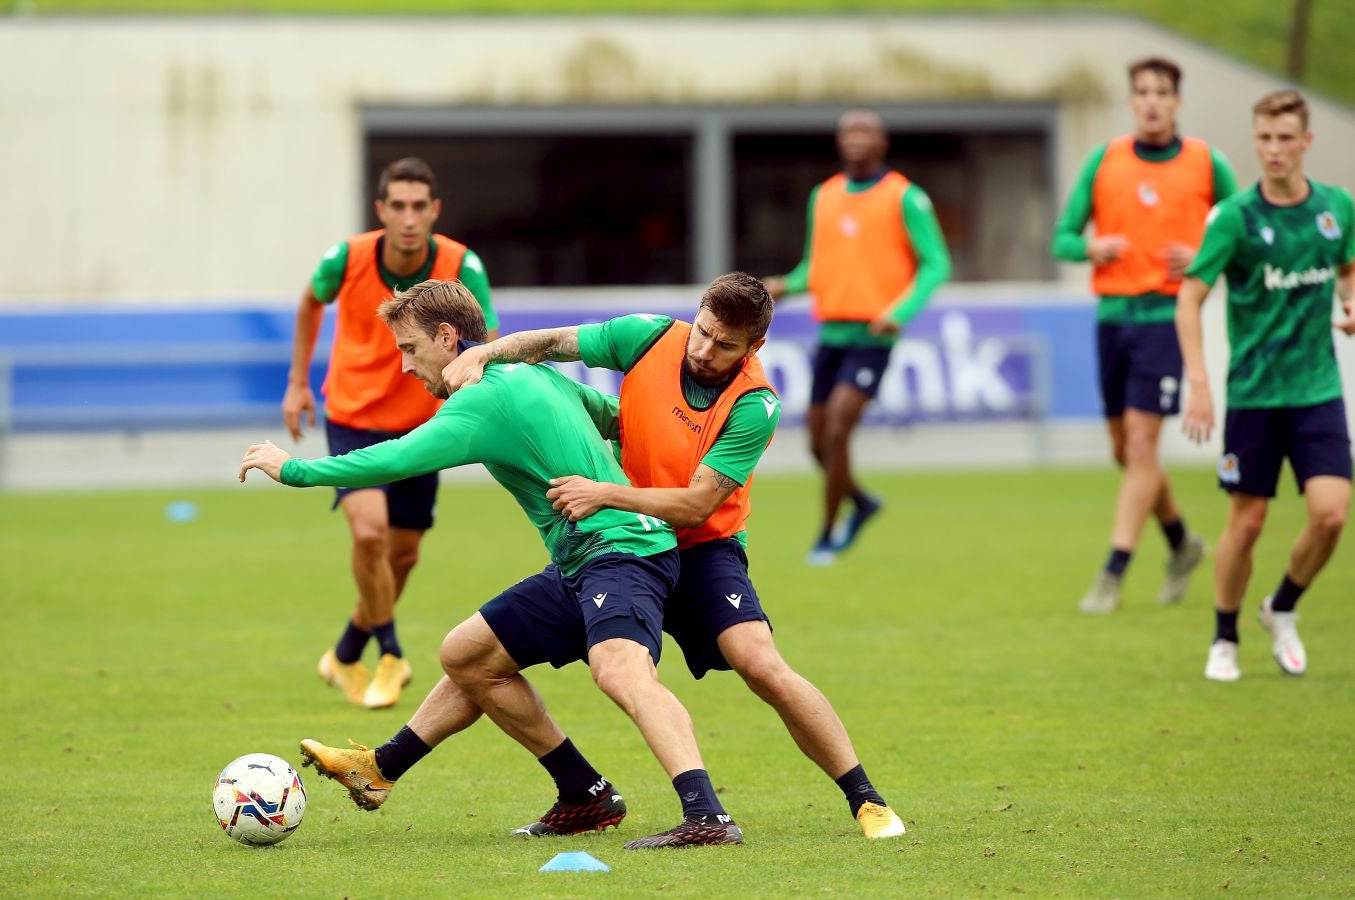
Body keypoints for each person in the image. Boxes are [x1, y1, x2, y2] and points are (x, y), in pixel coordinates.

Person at [245, 279, 744, 849]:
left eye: (409, 349)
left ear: (446, 336)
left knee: (622, 672)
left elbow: (396, 457)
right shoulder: (530, 374)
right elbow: (617, 415)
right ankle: (571, 792)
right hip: (594, 555)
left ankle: (707, 815)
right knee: (470, 655)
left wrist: (295, 470)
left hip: (620, 553)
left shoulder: (480, 399)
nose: (406, 367)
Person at [443, 271, 906, 839]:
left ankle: (866, 799)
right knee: (480, 651)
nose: (706, 351)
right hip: (623, 548)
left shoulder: (755, 404)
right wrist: (483, 353)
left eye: (726, 345)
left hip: (704, 549)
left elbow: (695, 505)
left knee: (760, 664)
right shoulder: (649, 336)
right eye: (704, 333)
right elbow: (549, 343)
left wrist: (604, 492)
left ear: (754, 348)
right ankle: (388, 766)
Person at [281, 158, 499, 709]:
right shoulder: (347, 258)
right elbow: (310, 301)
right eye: (396, 206)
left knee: (401, 557)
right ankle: (392, 653)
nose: (408, 217)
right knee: (370, 535)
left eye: (418, 206)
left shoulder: (460, 264)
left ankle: (346, 652)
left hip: (423, 425)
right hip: (352, 414)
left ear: (434, 211)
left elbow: (487, 343)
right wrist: (297, 384)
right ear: (381, 211)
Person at [1175, 89, 1354, 682]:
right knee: (1246, 524)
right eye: (1264, 138)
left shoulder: (1336, 209)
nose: (1273, 149)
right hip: (1253, 393)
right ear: (1255, 140)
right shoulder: (1235, 218)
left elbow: (1348, 269)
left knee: (1331, 515)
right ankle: (1224, 637)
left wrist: (1351, 302)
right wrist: (1198, 380)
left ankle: (1281, 607)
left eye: (1285, 138)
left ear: (1306, 142)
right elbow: (1190, 296)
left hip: (1317, 390)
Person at [1053, 57, 1239, 614]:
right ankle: (1182, 543)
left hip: (1165, 320)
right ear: (1132, 101)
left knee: (1141, 447)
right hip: (1112, 321)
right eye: (1142, 92)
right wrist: (1090, 247)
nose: (1152, 101)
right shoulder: (1104, 161)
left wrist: (1208, 255)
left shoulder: (1208, 164)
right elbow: (1061, 238)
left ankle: (1113, 571)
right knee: (1126, 452)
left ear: (1177, 101)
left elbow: (1247, 232)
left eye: (1162, 92)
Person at [764, 108, 951, 566]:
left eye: (865, 130)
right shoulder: (824, 196)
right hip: (831, 332)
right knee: (815, 441)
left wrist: (899, 311)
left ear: (882, 141)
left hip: (874, 334)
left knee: (838, 428)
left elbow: (937, 264)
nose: (855, 137)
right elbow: (818, 267)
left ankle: (827, 535)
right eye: (848, 130)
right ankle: (862, 502)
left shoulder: (905, 197)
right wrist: (788, 283)